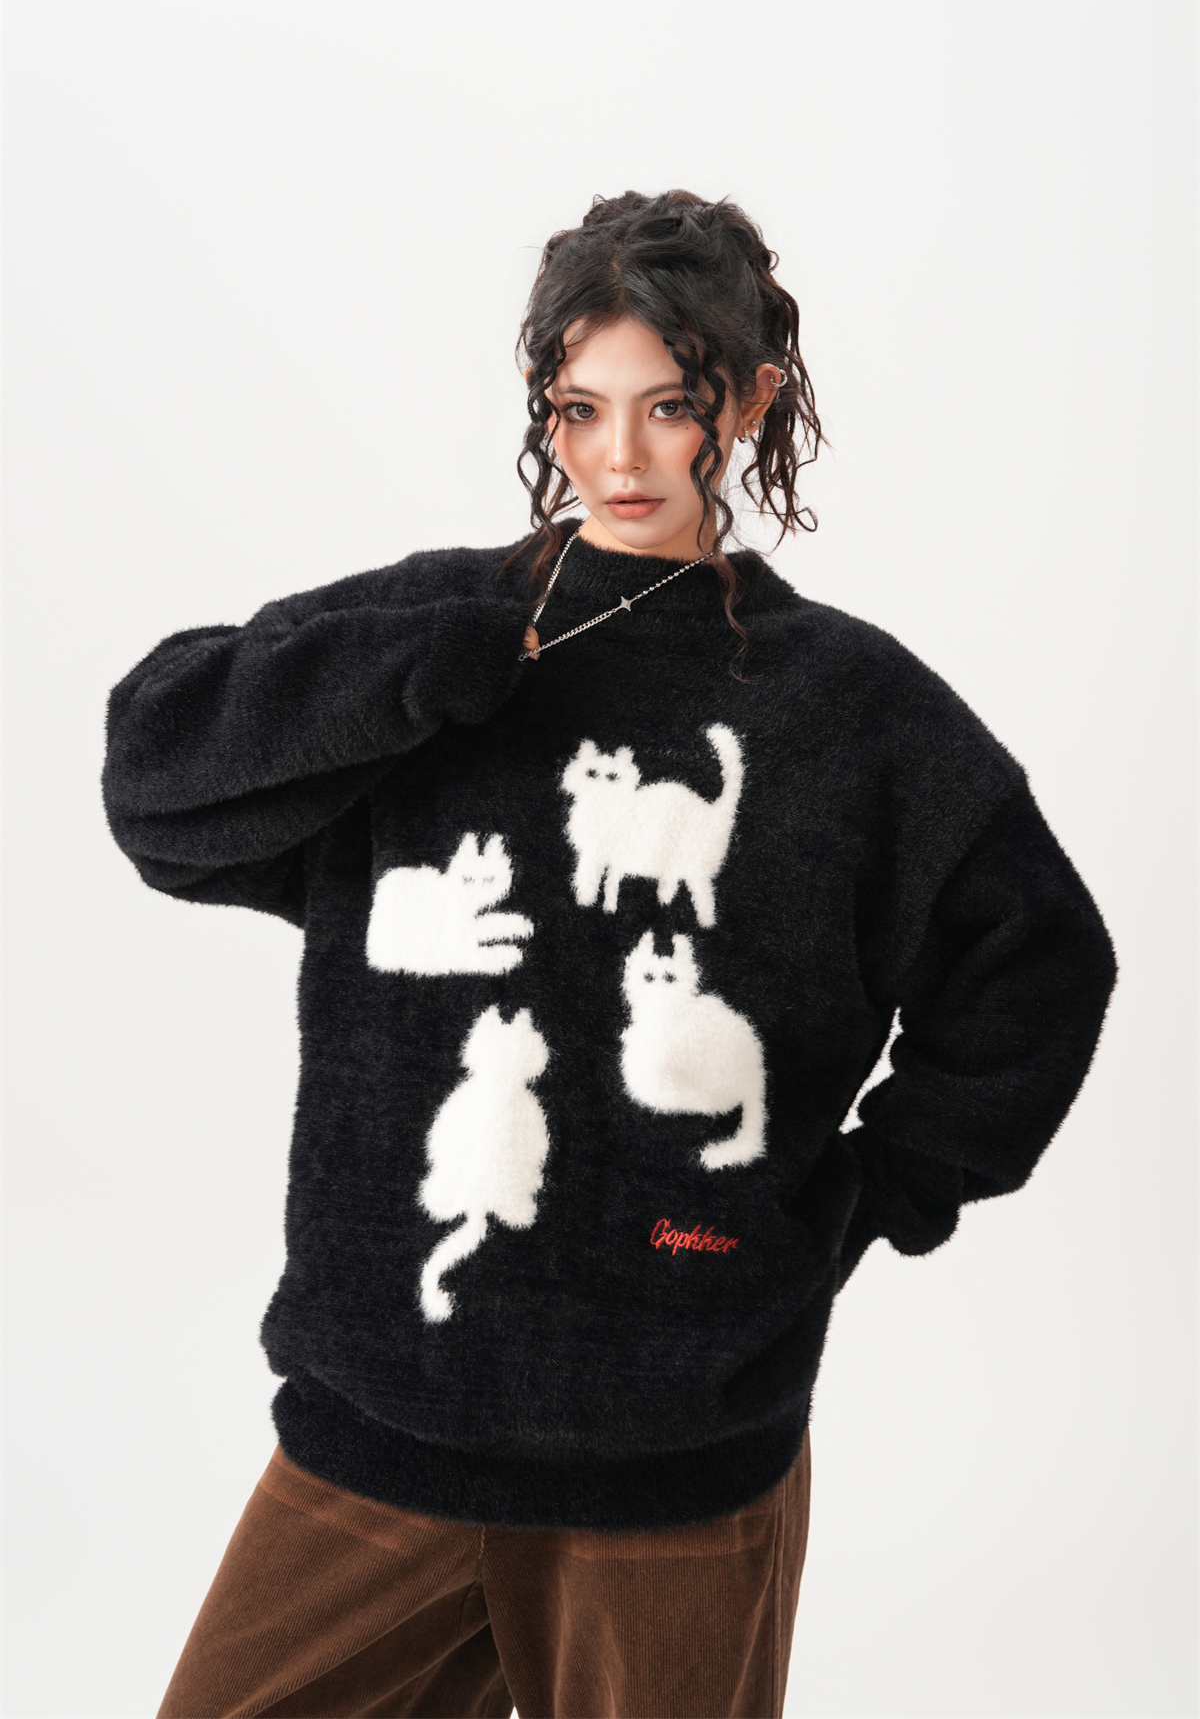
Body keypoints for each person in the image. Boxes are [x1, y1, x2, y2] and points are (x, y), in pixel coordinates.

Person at [102, 189, 1118, 1719]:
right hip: (382, 1425)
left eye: (671, 406)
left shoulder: (850, 709)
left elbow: (1040, 967)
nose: (622, 456)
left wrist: (866, 1198)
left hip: (676, 1460)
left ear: (751, 402)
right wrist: (413, 668)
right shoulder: (443, 625)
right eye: (581, 408)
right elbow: (155, 781)